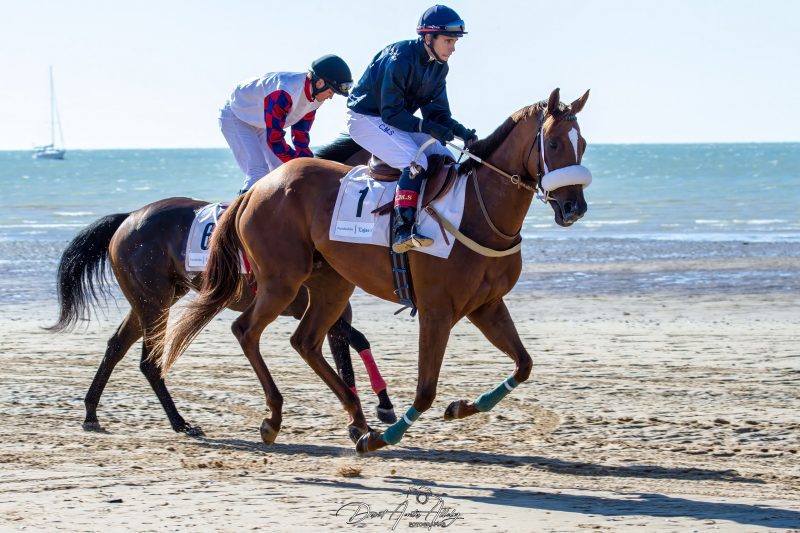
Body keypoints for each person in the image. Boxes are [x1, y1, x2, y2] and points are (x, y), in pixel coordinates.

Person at [346, 5, 477, 253]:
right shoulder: (399, 59)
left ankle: (439, 221)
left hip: (396, 119)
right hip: (366, 118)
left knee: (445, 156)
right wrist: (428, 127)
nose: (453, 48)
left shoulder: (440, 67)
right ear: (428, 38)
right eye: (448, 41)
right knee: (416, 162)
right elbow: (391, 113)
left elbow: (437, 115)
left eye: (454, 41)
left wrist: (463, 133)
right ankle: (402, 230)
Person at [220, 55, 353, 194]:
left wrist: (308, 164)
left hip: (261, 122)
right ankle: (235, 215)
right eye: (331, 92)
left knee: (279, 169)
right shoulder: (284, 91)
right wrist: (298, 163)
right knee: (258, 171)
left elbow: (300, 136)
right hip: (236, 117)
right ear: (320, 83)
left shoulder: (316, 99)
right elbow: (274, 139)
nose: (331, 97)